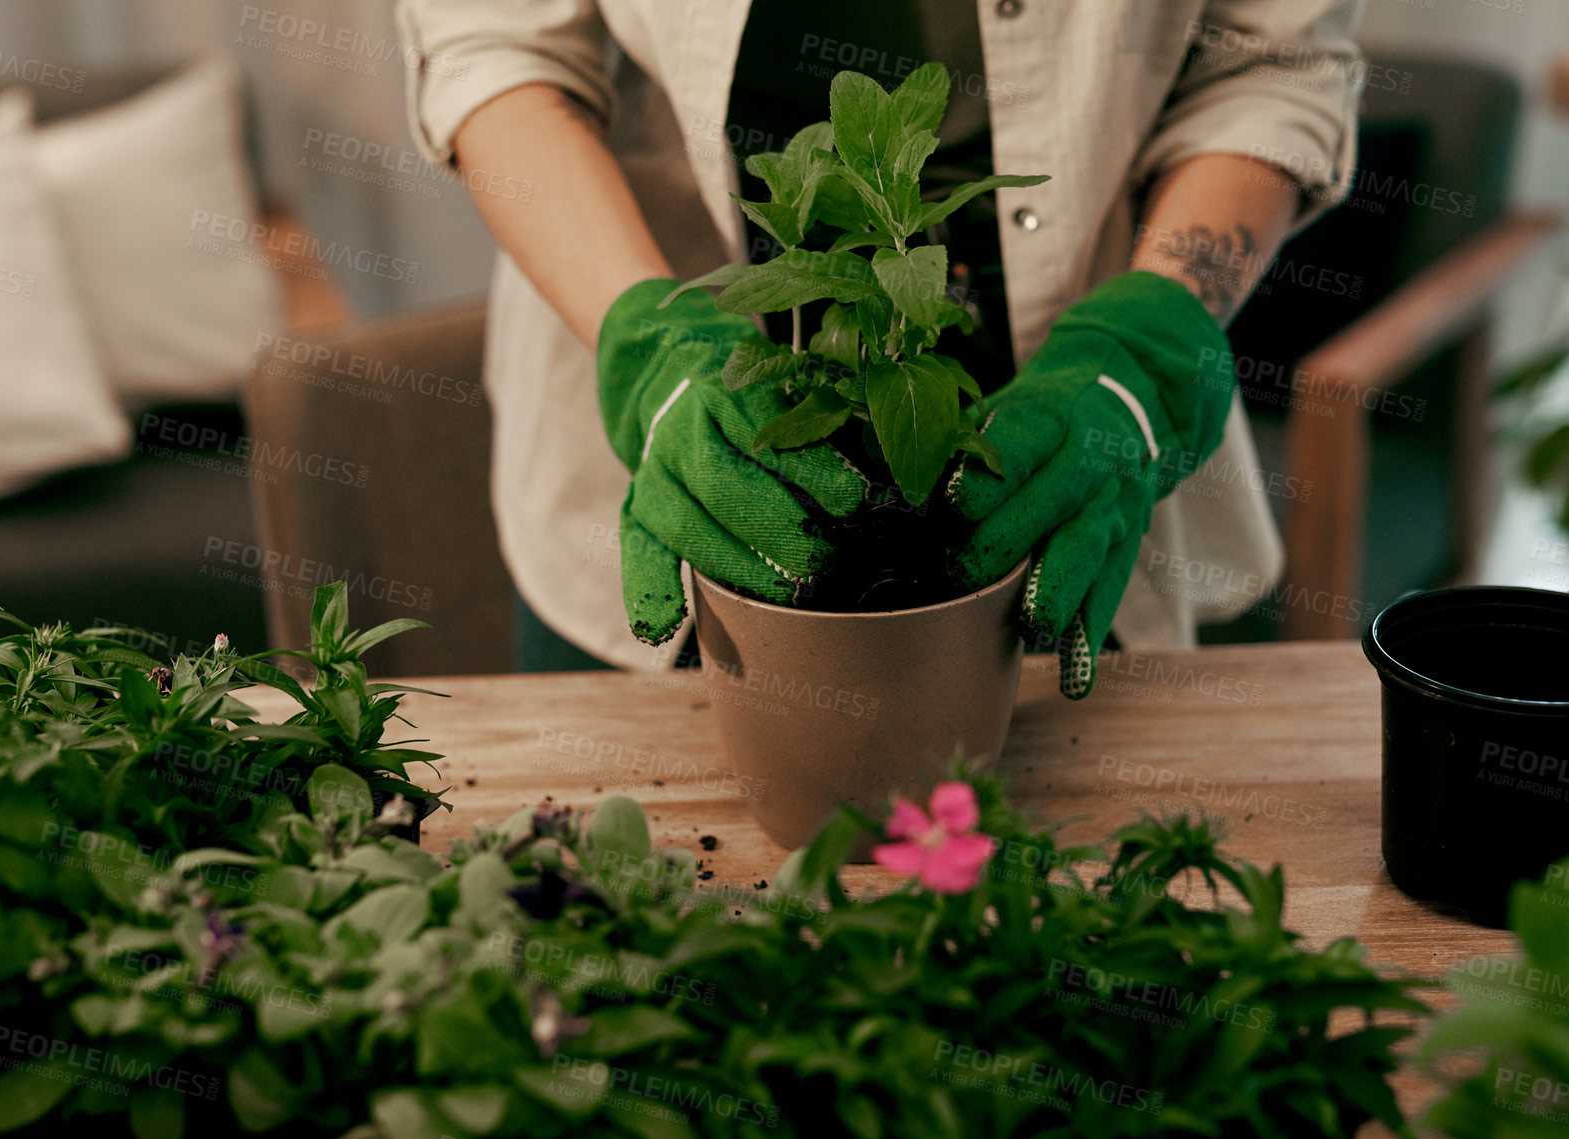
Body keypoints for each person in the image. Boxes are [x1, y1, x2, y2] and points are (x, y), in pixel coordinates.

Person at [394, 0, 1363, 695]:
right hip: (670, 365)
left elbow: (1269, 59)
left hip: (1076, 419)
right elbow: (490, 43)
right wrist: (645, 337)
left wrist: (1150, 335)